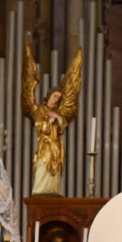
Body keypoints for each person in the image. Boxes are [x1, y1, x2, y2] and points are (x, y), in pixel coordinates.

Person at [21, 37, 82, 196]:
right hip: (45, 144)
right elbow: (39, 126)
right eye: (55, 96)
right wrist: (49, 120)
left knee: (55, 170)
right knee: (43, 166)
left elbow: (63, 126)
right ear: (49, 96)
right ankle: (41, 191)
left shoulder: (59, 111)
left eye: (59, 98)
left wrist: (58, 118)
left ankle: (53, 191)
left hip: (56, 145)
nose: (57, 100)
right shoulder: (39, 109)